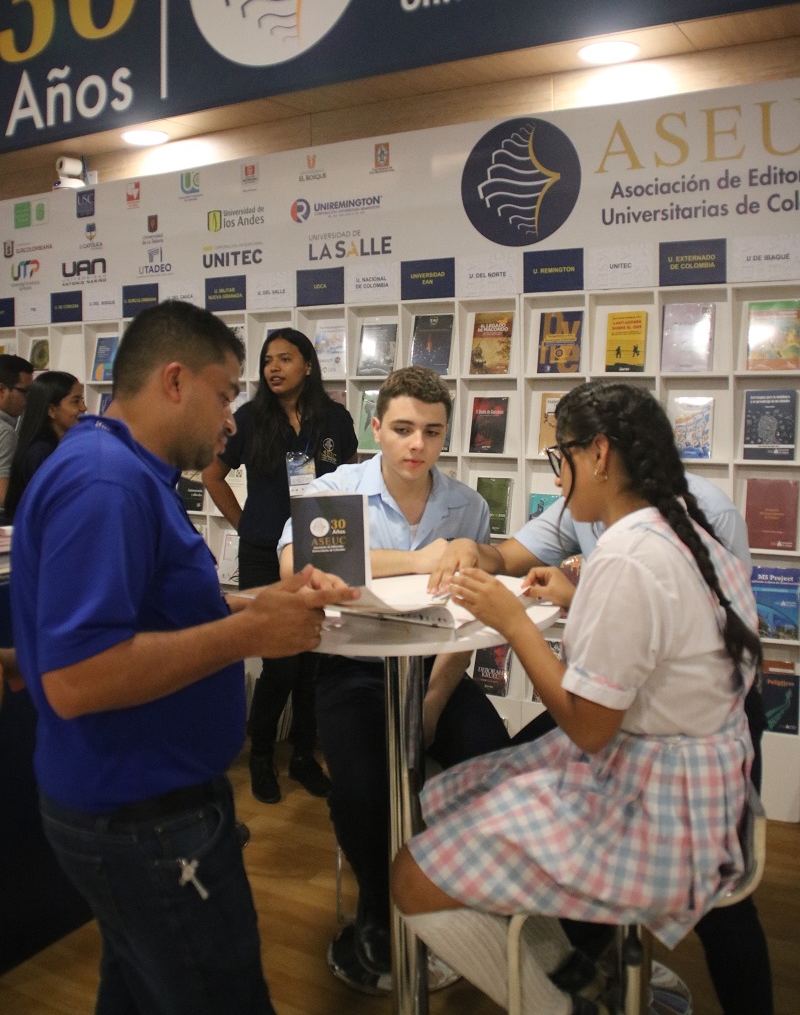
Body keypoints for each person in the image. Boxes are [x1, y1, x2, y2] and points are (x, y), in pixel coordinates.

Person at [10, 300, 357, 1015]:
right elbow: (78, 678)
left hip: (144, 807)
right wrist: (253, 634)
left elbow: (158, 610)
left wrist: (262, 605)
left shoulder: (124, 471)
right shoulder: (105, 483)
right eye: (226, 394)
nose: (232, 418)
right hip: (142, 817)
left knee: (136, 991)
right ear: (175, 381)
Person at [392, 381, 762, 1015]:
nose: (557, 480)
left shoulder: (627, 555)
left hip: (659, 798)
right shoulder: (679, 528)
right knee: (469, 798)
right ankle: (577, 979)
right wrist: (573, 595)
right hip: (699, 773)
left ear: (596, 455)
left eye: (559, 460)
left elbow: (588, 728)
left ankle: (564, 999)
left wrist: (511, 621)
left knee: (411, 874)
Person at [277, 366, 510, 987]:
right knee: (358, 790)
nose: (417, 445)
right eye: (403, 429)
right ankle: (379, 909)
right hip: (352, 670)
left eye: (432, 432)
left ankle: (463, 900)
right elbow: (295, 560)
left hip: (440, 670)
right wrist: (417, 559)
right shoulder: (339, 487)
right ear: (375, 427)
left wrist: (433, 702)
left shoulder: (468, 505)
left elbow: (471, 613)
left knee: (494, 766)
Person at [202, 327, 357, 804]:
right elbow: (212, 473)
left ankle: (305, 757)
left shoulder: (335, 417)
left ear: (308, 366)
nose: (273, 367)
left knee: (315, 660)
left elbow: (351, 476)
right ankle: (264, 753)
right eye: (268, 360)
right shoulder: (248, 418)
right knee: (281, 663)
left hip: (323, 549)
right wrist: (246, 522)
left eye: (285, 359)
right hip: (265, 551)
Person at [3, 371, 86, 522]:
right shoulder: (41, 453)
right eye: (76, 402)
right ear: (51, 410)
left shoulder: (55, 447)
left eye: (82, 400)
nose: (84, 408)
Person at [0, 354, 33, 512]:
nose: (28, 400)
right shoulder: (5, 432)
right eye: (24, 392)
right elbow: (3, 495)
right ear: (2, 390)